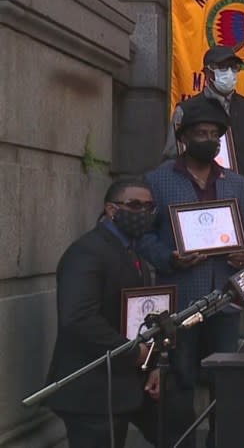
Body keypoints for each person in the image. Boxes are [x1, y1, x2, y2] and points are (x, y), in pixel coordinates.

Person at [139, 100, 244, 447]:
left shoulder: (235, 182)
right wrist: (169, 258)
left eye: (215, 134)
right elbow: (143, 237)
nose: (209, 139)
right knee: (181, 379)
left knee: (225, 380)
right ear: (184, 138)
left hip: (225, 299)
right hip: (181, 298)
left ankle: (220, 441)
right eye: (201, 133)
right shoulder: (157, 180)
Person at [45, 178, 187, 447]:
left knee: (178, 426)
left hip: (131, 382)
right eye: (134, 205)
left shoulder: (132, 250)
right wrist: (134, 353)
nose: (143, 213)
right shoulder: (87, 252)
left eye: (149, 207)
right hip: (93, 389)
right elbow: (78, 318)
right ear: (111, 210)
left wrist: (154, 362)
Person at [163, 44, 244, 350]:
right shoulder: (188, 110)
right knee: (205, 276)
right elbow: (170, 158)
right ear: (208, 72)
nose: (230, 73)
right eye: (223, 67)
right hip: (199, 209)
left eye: (234, 67)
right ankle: (199, 344)